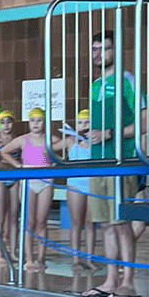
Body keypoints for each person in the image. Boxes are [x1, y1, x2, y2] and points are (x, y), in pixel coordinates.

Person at [81, 31, 149, 297]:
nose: (99, 54)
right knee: (106, 225)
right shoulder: (96, 85)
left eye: (105, 49)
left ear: (116, 51)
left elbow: (146, 125)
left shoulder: (128, 81)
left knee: (122, 224)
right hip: (98, 163)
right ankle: (110, 280)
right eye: (95, 49)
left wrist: (110, 133)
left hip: (121, 162)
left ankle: (128, 282)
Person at [1, 107, 55, 271]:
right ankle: (29, 259)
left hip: (46, 182)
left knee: (42, 222)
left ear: (44, 122)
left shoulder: (49, 140)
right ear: (29, 122)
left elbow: (65, 147)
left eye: (39, 120)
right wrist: (17, 165)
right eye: (33, 120)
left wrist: (54, 164)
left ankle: (41, 258)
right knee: (29, 222)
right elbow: (4, 151)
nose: (35, 124)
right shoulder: (23, 140)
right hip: (28, 182)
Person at [55, 108, 96, 270]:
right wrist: (62, 162)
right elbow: (49, 149)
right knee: (76, 224)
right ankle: (75, 259)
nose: (84, 125)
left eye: (87, 122)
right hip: (75, 185)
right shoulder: (71, 141)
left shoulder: (97, 143)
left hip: (92, 185)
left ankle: (90, 259)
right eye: (80, 122)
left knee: (90, 224)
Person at [0, 109, 21, 260]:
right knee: (0, 216)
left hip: (14, 179)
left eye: (9, 122)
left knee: (14, 215)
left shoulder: (17, 140)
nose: (6, 126)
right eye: (2, 123)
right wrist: (14, 166)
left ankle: (14, 252)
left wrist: (15, 166)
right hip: (0, 178)